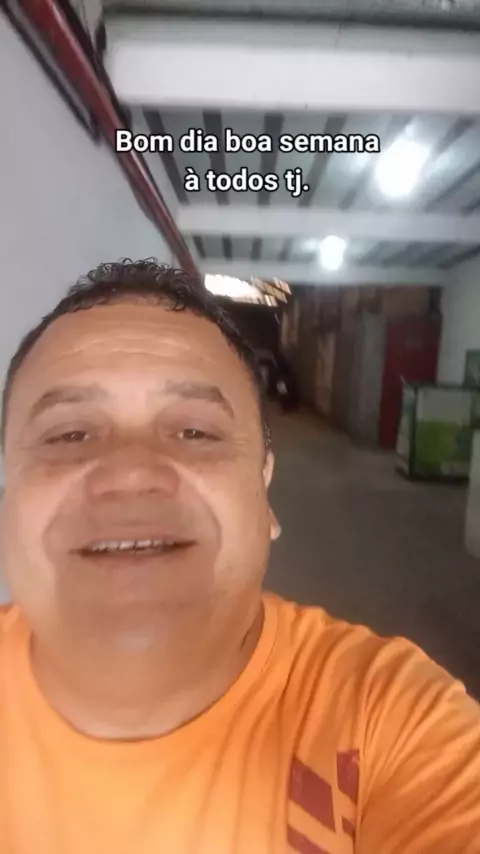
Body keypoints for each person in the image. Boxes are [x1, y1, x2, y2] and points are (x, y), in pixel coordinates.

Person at [0, 260, 479, 854]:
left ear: (264, 492)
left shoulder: (392, 722)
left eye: (195, 432)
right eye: (69, 434)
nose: (130, 472)